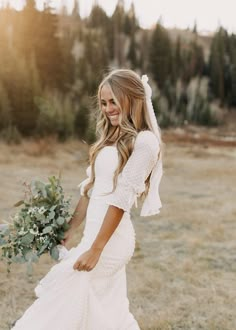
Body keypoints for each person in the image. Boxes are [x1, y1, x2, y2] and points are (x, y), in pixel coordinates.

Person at [12, 69, 163, 330]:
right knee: (102, 308)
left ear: (132, 98)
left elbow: (121, 199)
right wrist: (68, 229)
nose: (107, 109)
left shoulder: (145, 142)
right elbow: (90, 190)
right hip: (93, 236)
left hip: (111, 240)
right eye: (104, 103)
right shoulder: (110, 138)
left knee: (63, 297)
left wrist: (96, 248)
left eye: (114, 101)